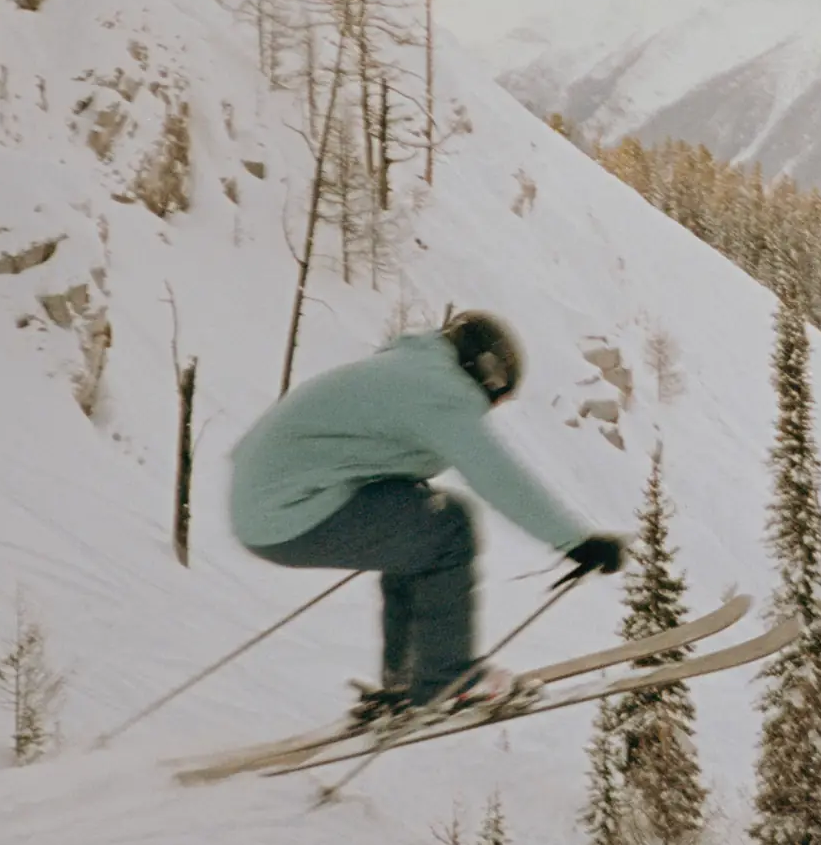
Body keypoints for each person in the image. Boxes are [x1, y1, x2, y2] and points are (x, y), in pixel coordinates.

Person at [230, 310, 625, 724]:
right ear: (487, 372)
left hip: (272, 504)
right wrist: (575, 540)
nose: (492, 406)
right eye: (499, 393)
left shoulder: (410, 369)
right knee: (449, 527)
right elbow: (496, 475)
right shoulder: (440, 391)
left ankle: (408, 679)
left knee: (419, 531)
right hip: (285, 513)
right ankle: (444, 682)